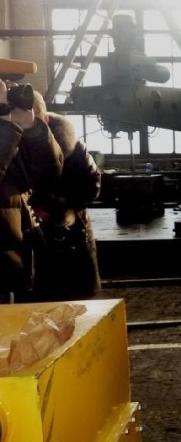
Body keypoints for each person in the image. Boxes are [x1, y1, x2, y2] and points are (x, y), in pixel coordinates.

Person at [28, 91, 102, 301]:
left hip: (69, 234)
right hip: (32, 233)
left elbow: (91, 185)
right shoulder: (12, 142)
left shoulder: (73, 148)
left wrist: (61, 208)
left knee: (73, 300)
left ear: (45, 119)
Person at [0, 80, 63, 304]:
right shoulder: (5, 133)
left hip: (12, 263)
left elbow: (46, 175)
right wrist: (5, 124)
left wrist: (31, 129)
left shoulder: (8, 134)